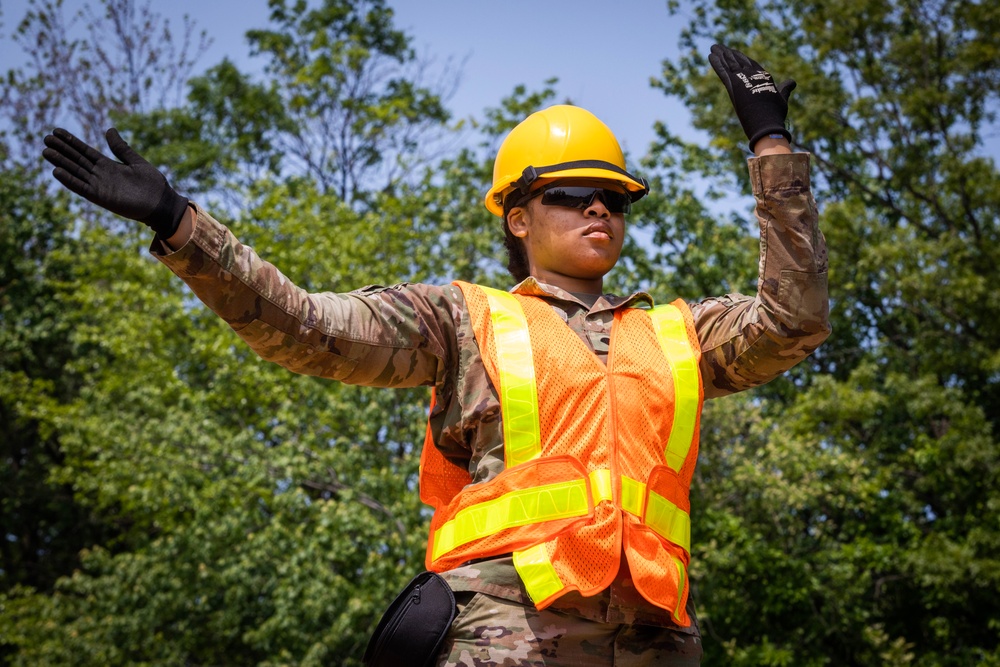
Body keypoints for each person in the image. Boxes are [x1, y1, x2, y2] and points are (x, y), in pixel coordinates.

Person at [42, 44, 829, 667]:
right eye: (571, 192)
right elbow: (307, 327)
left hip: (658, 640)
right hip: (506, 637)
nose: (599, 205)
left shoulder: (677, 332)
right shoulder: (462, 319)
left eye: (616, 197)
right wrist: (182, 224)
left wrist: (771, 147)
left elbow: (794, 319)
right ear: (517, 219)